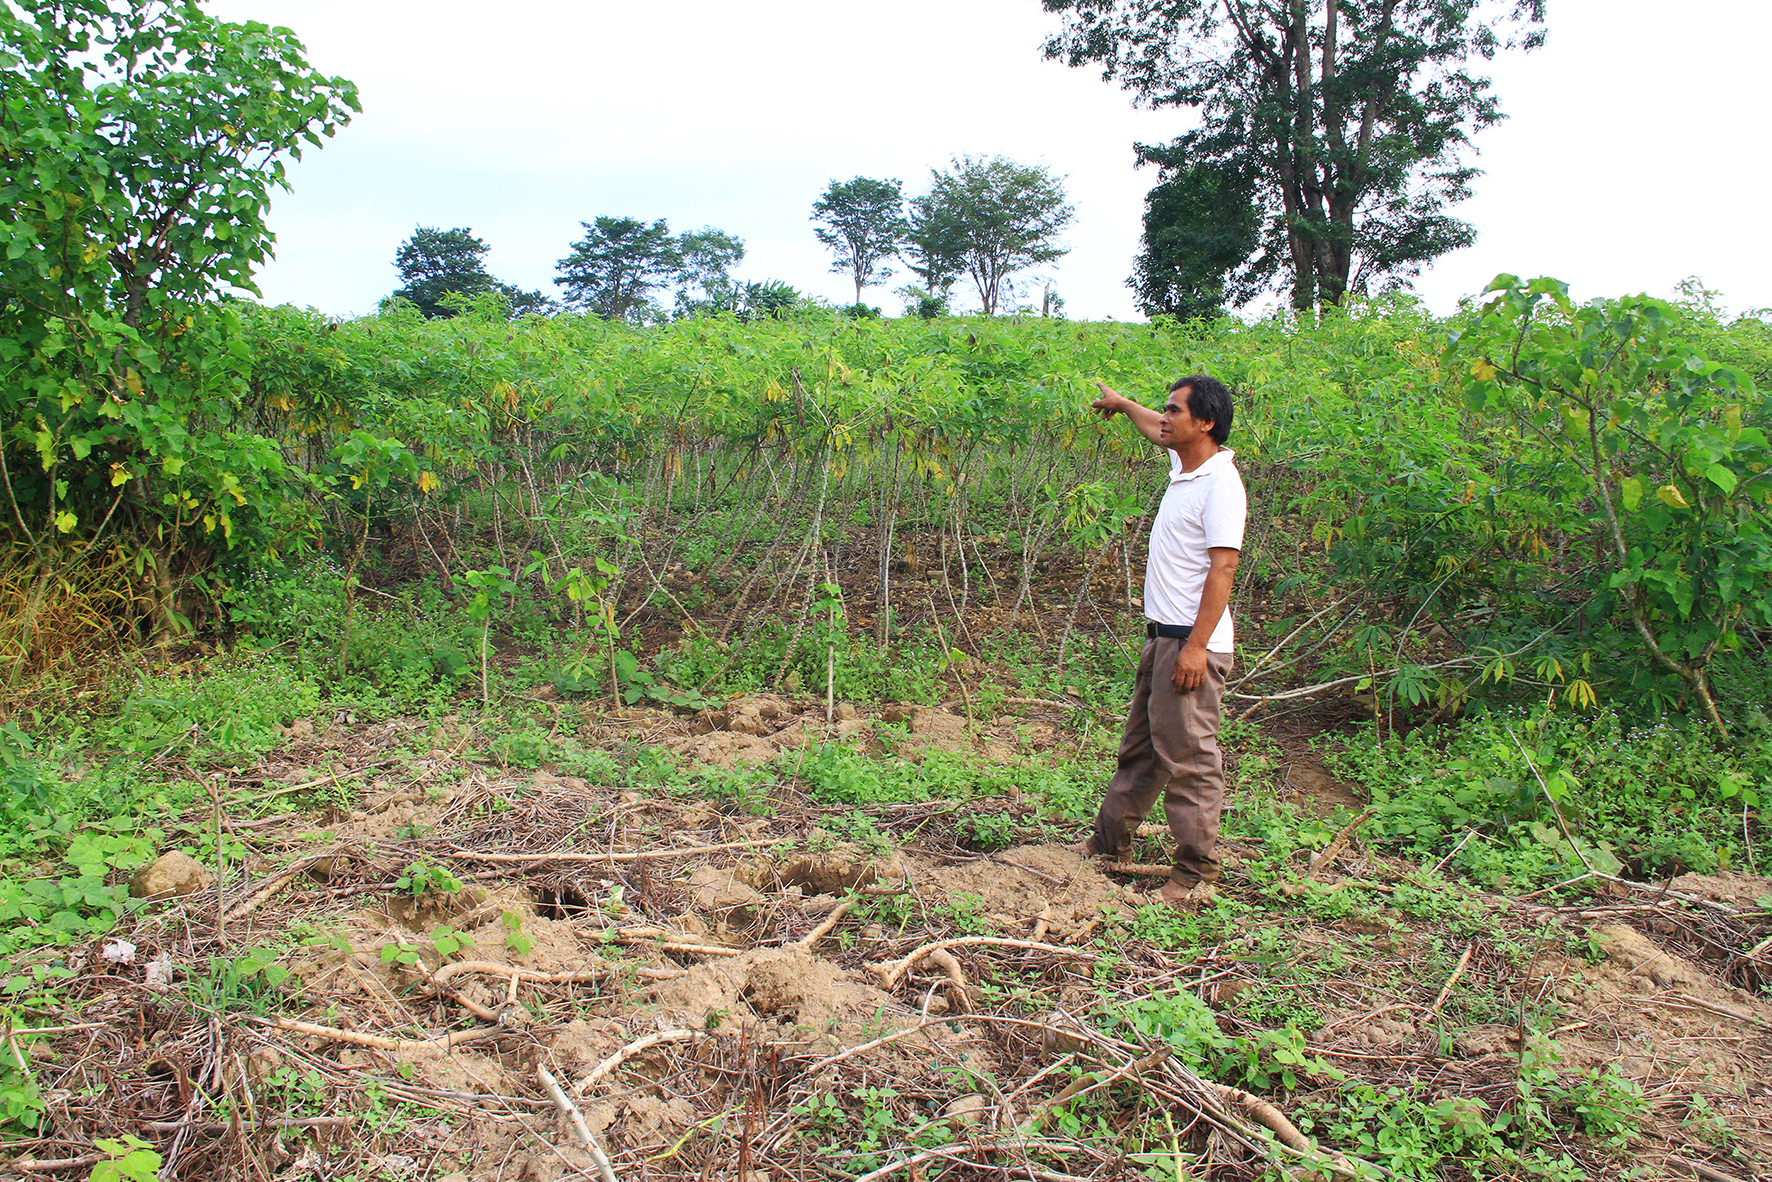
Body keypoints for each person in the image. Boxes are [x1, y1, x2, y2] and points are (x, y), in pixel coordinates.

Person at [1085, 374, 1246, 905]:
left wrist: (1196, 647)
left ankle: (1197, 875)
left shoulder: (1221, 483)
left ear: (1204, 423)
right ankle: (1107, 848)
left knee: (1190, 760)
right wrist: (1123, 402)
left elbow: (1223, 569)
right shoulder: (1186, 468)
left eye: (1174, 411)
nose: (1164, 419)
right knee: (1142, 751)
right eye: (1164, 410)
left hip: (1189, 643)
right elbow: (1154, 430)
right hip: (1164, 638)